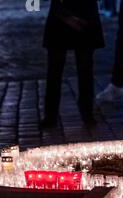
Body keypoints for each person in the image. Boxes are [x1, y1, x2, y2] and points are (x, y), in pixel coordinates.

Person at [42, 0, 105, 129]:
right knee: (63, 66)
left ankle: (84, 112)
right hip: (66, 12)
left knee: (80, 66)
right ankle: (83, 113)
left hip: (75, 11)